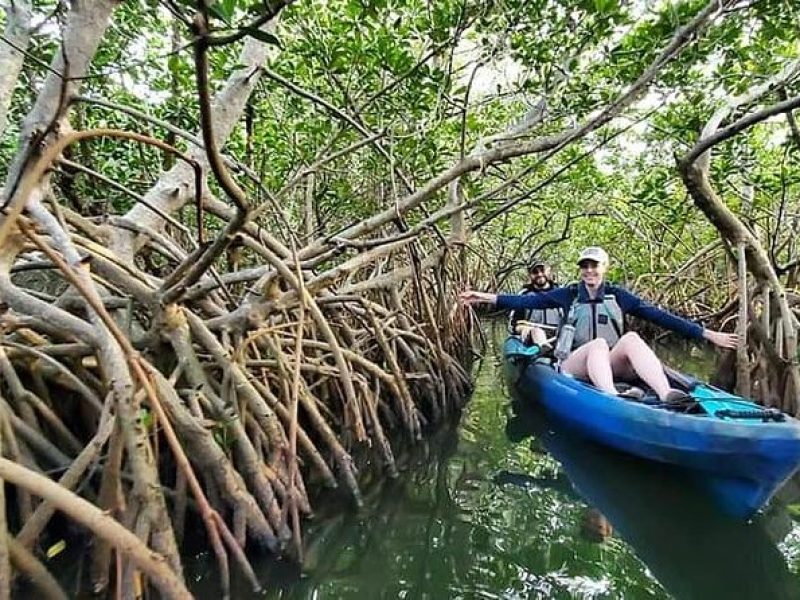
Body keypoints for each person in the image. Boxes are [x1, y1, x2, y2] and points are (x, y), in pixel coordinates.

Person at [460, 246, 738, 402]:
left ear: (604, 268)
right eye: (585, 266)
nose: (589, 271)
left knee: (631, 339)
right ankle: (611, 399)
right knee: (598, 344)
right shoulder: (568, 294)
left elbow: (660, 316)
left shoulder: (618, 295)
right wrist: (484, 296)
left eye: (595, 266)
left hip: (610, 363)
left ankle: (666, 393)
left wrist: (706, 333)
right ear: (580, 270)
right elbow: (525, 303)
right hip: (574, 365)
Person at [508, 259, 562, 348]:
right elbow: (513, 326)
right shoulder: (524, 296)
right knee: (537, 332)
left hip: (558, 338)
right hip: (532, 340)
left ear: (548, 272)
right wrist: (523, 328)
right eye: (535, 272)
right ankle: (542, 348)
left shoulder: (561, 294)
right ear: (530, 275)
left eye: (542, 270)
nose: (539, 274)